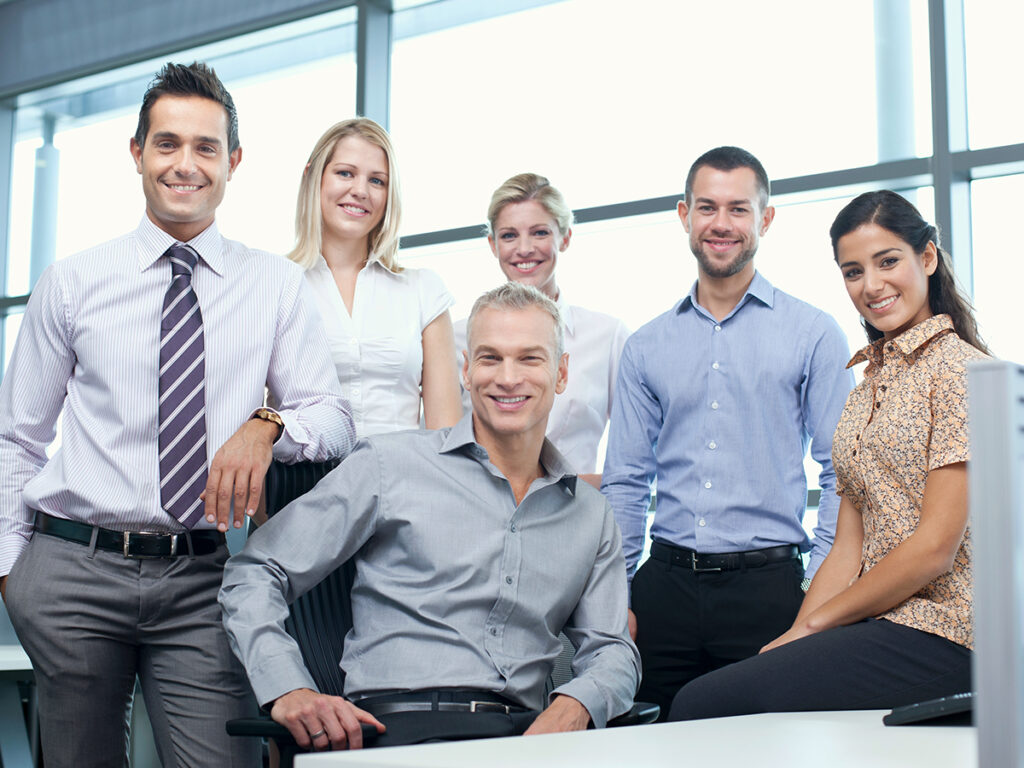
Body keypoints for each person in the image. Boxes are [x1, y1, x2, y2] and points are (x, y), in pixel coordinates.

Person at [0, 62, 355, 767]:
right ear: (137, 154)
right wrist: (13, 575)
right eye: (166, 144)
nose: (184, 165)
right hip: (72, 568)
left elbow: (334, 416)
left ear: (234, 162)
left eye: (205, 147)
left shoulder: (274, 285)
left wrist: (267, 425)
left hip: (201, 579)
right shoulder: (72, 282)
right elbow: (17, 440)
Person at [220, 282, 640, 751]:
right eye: (489, 358)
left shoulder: (590, 514)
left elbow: (613, 649)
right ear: (465, 369)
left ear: (561, 373)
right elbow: (256, 570)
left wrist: (577, 705)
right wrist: (287, 686)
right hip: (394, 734)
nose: (507, 377)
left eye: (529, 358)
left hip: (525, 740)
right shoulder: (389, 465)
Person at [669, 190, 986, 720]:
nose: (872, 285)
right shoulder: (867, 386)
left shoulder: (961, 372)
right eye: (853, 271)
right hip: (883, 622)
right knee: (716, 695)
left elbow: (935, 548)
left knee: (706, 703)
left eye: (888, 262)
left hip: (951, 631)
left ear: (927, 258)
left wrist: (818, 626)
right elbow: (848, 544)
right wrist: (796, 633)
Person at [601, 146, 853, 718]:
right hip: (662, 587)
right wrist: (615, 597)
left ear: (765, 219)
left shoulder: (814, 333)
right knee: (645, 746)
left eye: (738, 209)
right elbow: (626, 482)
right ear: (684, 214)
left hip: (768, 592)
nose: (721, 224)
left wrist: (816, 590)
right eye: (707, 207)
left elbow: (842, 471)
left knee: (767, 747)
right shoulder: (646, 346)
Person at [287, 118, 461, 437]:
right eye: (345, 173)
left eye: (377, 181)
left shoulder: (424, 290)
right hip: (307, 484)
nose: (360, 191)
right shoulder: (278, 284)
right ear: (312, 176)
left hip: (401, 481)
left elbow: (445, 433)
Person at [453, 173, 629, 487]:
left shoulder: (607, 336)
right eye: (508, 235)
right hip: (477, 518)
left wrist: (570, 493)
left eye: (539, 233)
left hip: (573, 515)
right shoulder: (456, 338)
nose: (524, 248)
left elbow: (635, 456)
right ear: (492, 244)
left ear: (565, 237)